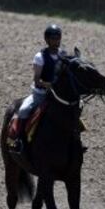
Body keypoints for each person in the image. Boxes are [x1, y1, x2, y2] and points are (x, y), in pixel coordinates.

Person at [7, 24, 66, 153]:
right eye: (53, 39)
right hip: (41, 94)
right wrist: (50, 85)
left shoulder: (63, 54)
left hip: (58, 95)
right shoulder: (40, 57)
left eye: (58, 38)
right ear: (47, 40)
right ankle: (17, 141)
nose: (56, 41)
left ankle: (75, 140)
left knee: (73, 110)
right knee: (23, 110)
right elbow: (37, 80)